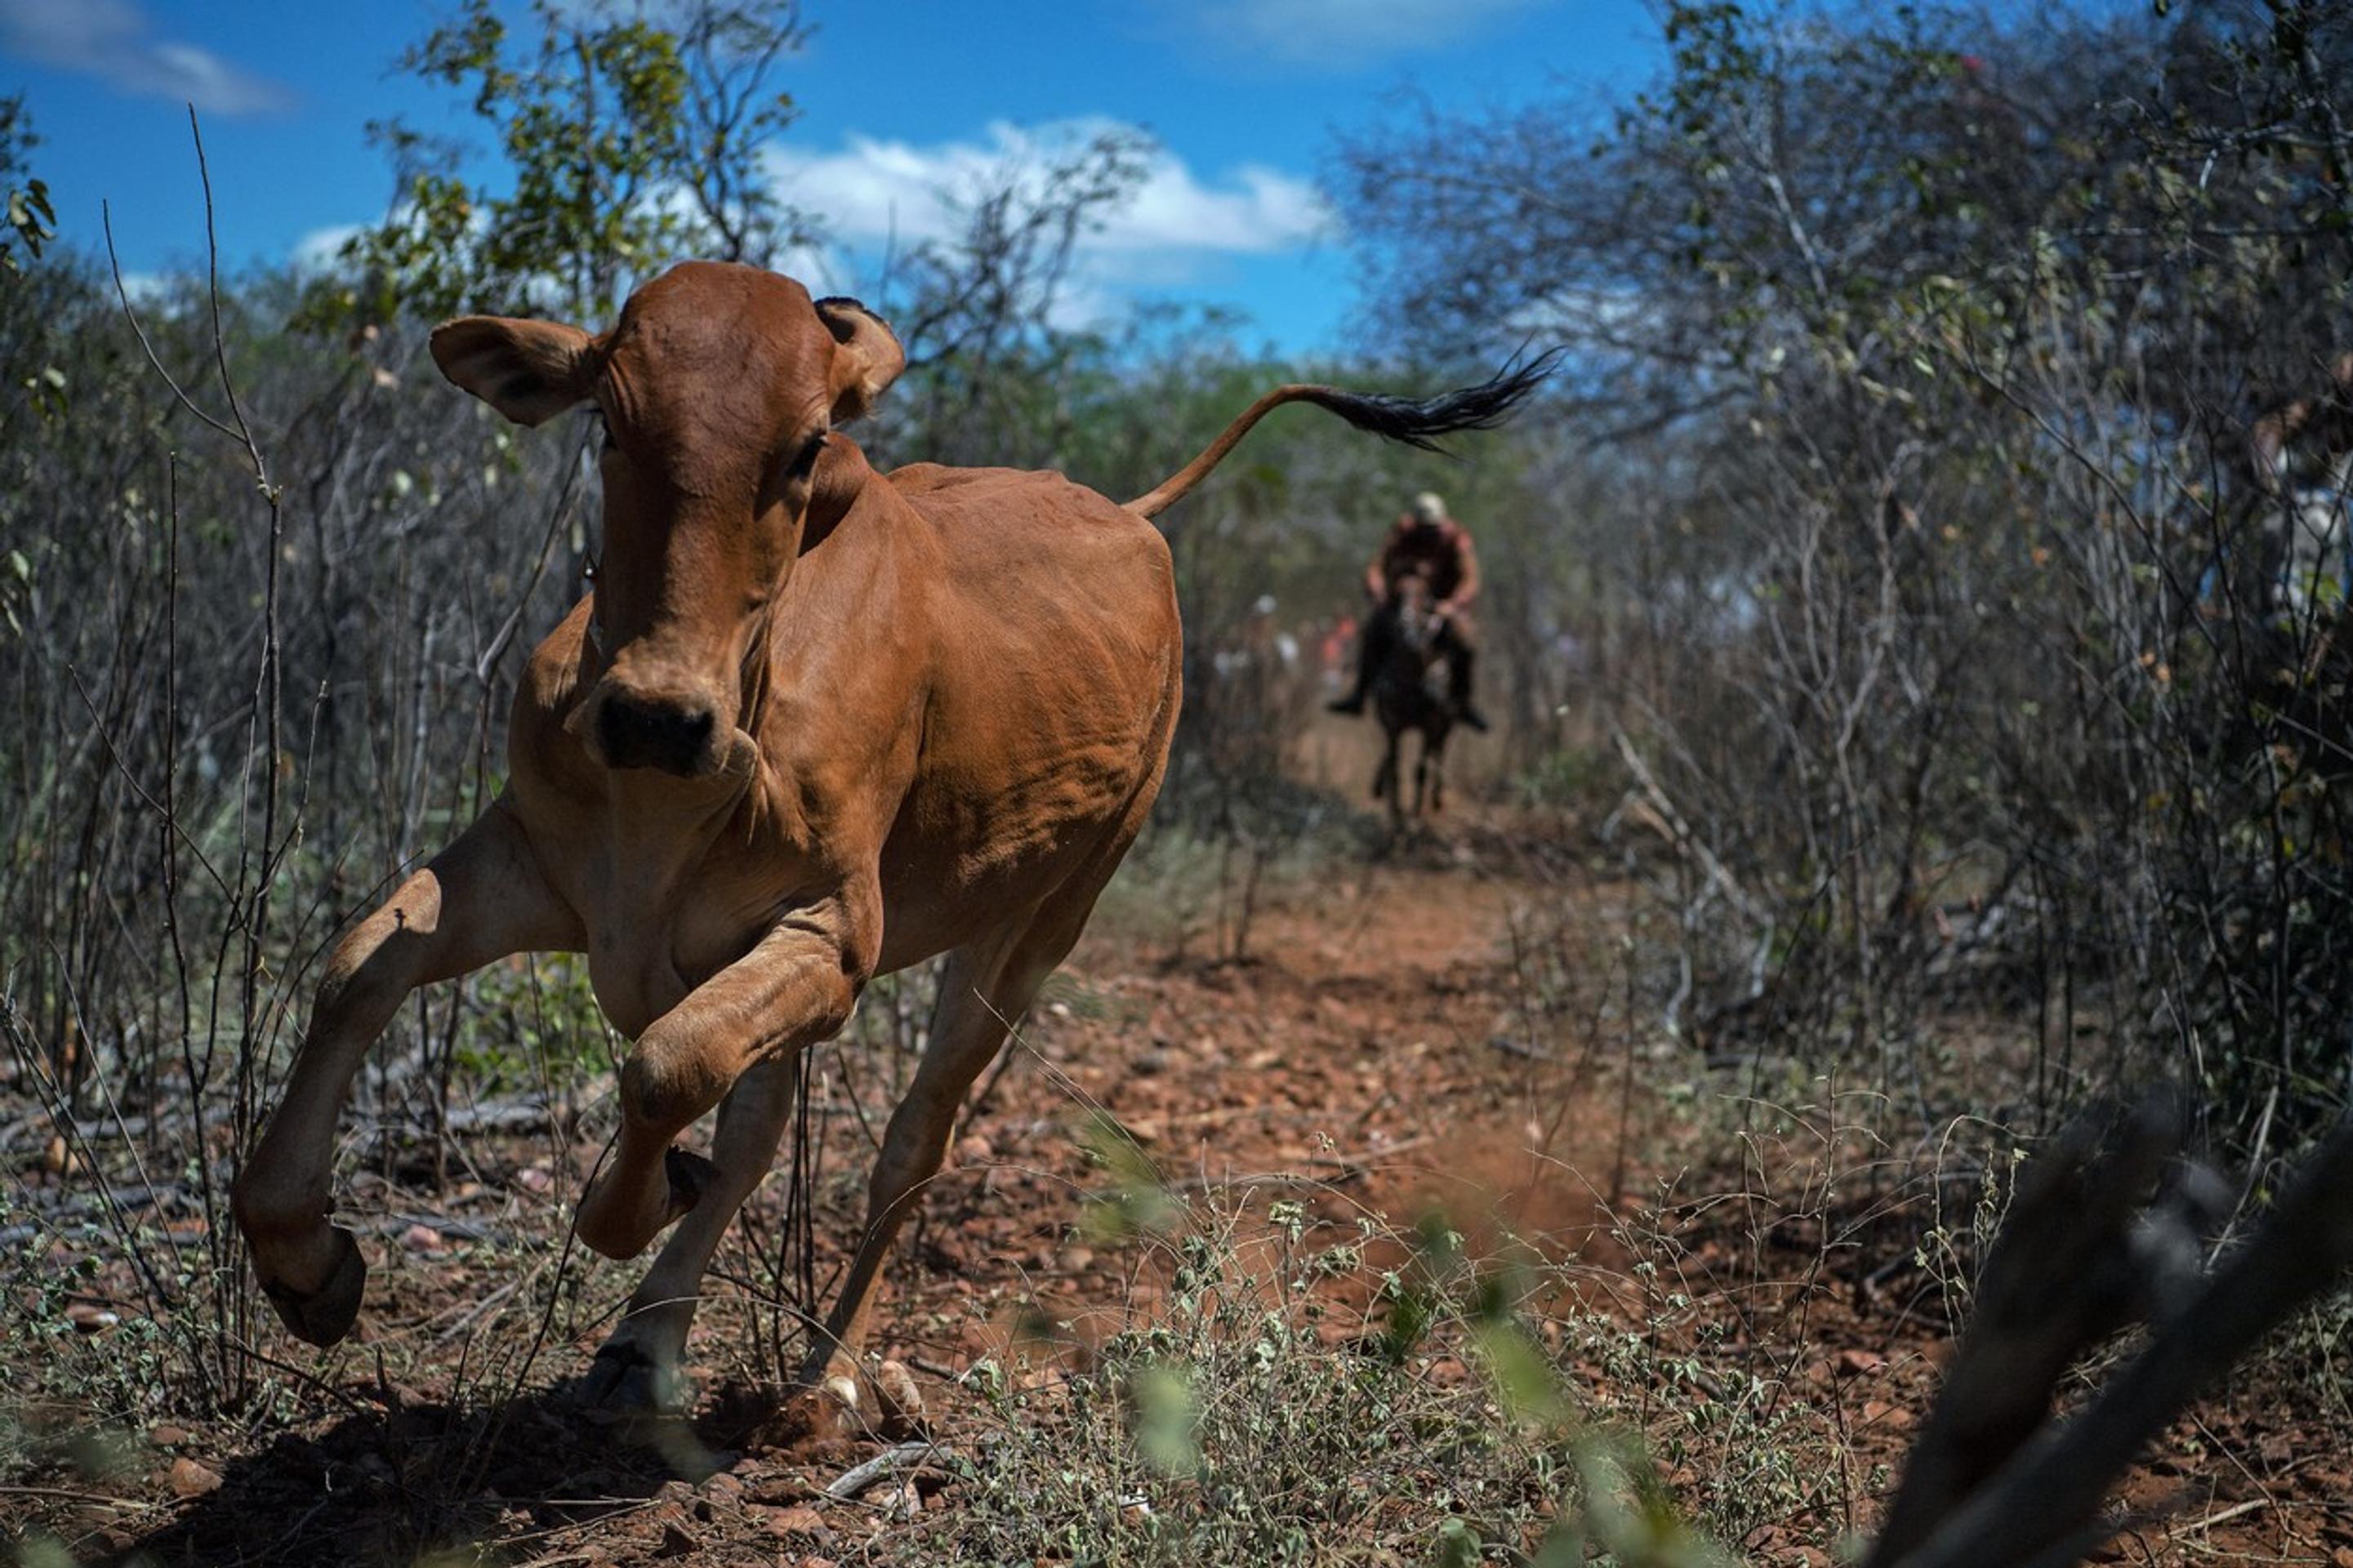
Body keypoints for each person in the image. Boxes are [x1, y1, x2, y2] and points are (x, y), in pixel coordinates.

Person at [1326, 491, 1489, 731]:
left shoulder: (1456, 537)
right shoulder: (1402, 532)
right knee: (1372, 631)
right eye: (1422, 527)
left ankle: (1463, 703)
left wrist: (1452, 605)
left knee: (1466, 643)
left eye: (1431, 528)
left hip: (1442, 608)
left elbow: (1470, 579)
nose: (1426, 533)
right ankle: (1359, 695)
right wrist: (1379, 591)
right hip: (1400, 603)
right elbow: (1377, 566)